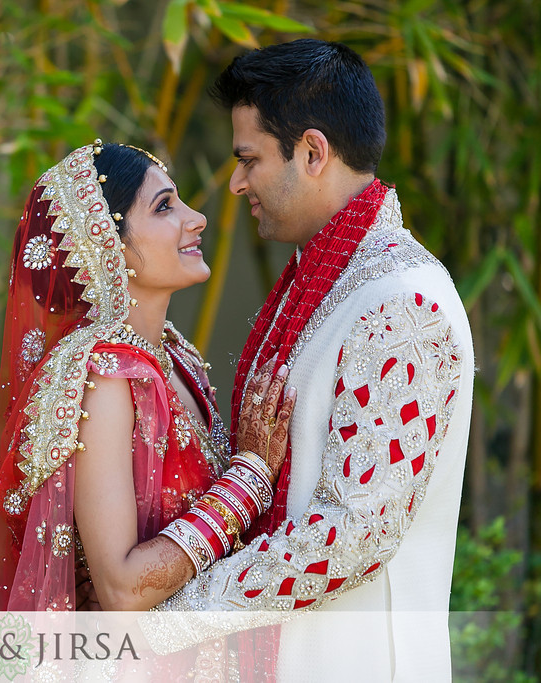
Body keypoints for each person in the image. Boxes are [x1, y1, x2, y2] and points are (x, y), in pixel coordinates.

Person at [142, 39, 475, 682]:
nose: (236, 184)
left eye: (249, 160)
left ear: (313, 152)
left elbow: (356, 530)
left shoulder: (402, 303)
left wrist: (171, 615)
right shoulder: (319, 283)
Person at [0, 141, 297, 617]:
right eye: (164, 206)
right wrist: (249, 478)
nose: (197, 218)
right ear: (105, 245)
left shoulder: (176, 357)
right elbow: (123, 589)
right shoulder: (107, 380)